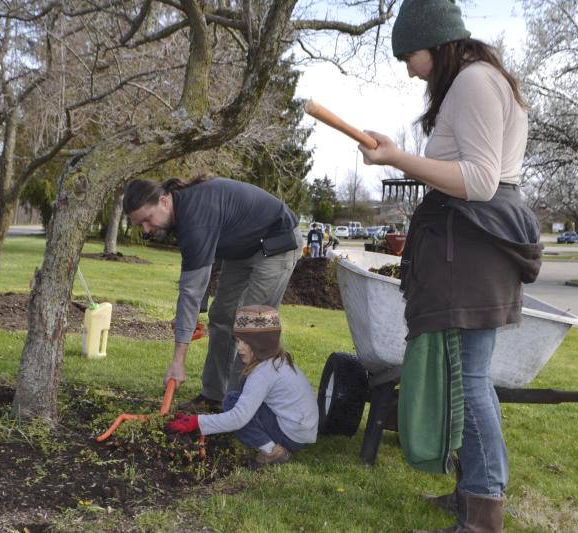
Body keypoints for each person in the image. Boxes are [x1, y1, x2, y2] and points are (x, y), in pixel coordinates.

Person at [357, 1, 542, 531]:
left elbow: (480, 182)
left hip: (472, 246)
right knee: (463, 376)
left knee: (469, 380)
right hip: (466, 245)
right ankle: (471, 491)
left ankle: (483, 510)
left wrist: (396, 159)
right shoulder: (479, 79)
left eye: (409, 55)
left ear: (434, 43)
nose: (408, 68)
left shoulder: (475, 81)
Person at [124, 175, 303, 413]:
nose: (146, 229)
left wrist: (178, 362)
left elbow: (190, 290)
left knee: (250, 325)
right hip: (243, 248)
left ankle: (238, 405)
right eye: (140, 224)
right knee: (222, 314)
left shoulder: (195, 216)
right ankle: (213, 395)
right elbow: (201, 266)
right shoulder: (183, 211)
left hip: (277, 243)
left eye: (147, 219)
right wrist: (198, 309)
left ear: (165, 201)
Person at [165, 305, 318, 465]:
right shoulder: (278, 360)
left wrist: (196, 422)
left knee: (231, 402)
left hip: (291, 434)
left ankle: (272, 451)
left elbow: (237, 419)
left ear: (262, 344)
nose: (239, 347)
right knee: (237, 396)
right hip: (302, 430)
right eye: (238, 340)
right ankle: (272, 443)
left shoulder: (263, 373)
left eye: (246, 342)